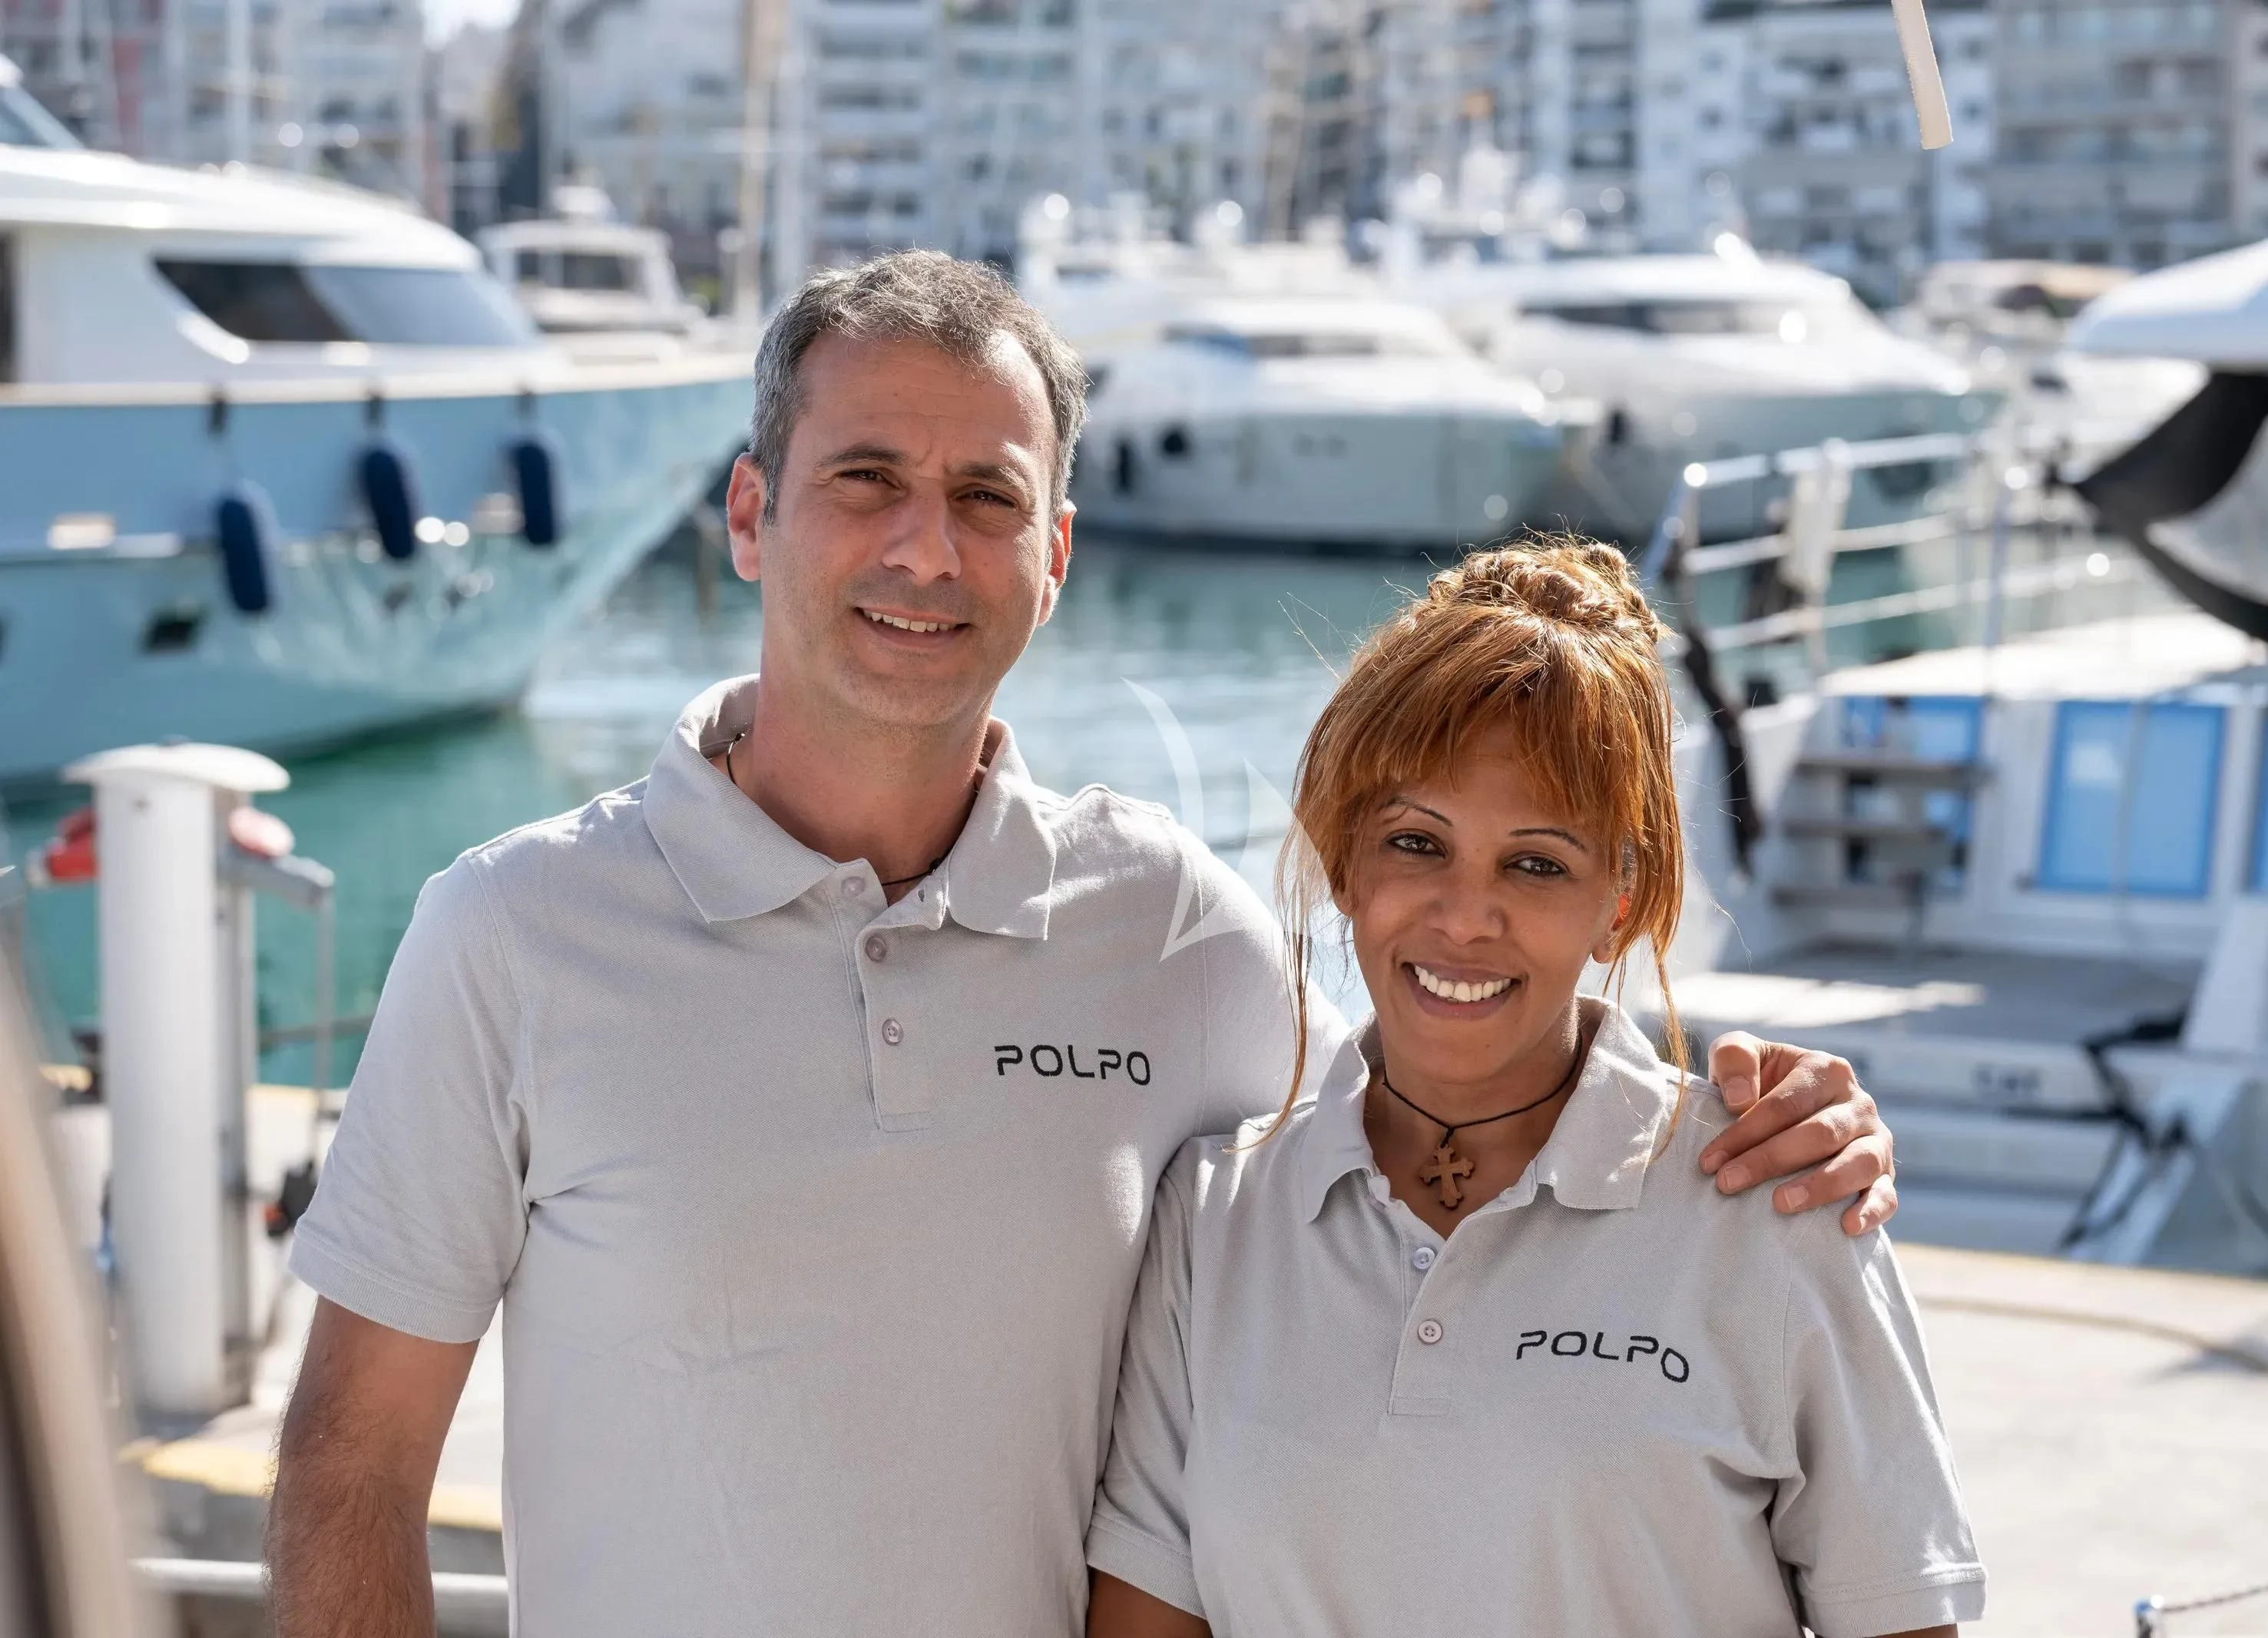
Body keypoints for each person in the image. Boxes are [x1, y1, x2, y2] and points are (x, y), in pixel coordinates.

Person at [263, 253, 1902, 1638]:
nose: (927, 549)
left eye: (988, 496)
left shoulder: (1178, 930)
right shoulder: (515, 930)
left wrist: (1763, 1129)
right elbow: (353, 1466)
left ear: (1054, 553)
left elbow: (1434, 1118)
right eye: (866, 481)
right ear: (749, 512)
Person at [1086, 538, 1983, 1638]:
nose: (1465, 916)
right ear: (1342, 860)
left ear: (1623, 895)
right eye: (1415, 843)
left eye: (1538, 863)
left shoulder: (1774, 1207)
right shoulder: (1214, 1219)